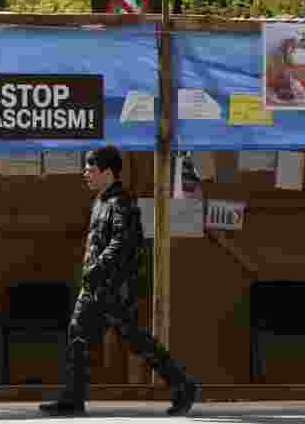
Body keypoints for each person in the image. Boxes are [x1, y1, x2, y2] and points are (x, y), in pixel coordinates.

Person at [40, 145, 199, 416]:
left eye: (90, 170)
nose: (85, 175)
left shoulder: (121, 204)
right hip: (95, 288)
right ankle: (73, 398)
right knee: (78, 336)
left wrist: (97, 269)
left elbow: (121, 244)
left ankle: (183, 385)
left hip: (112, 289)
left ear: (107, 172)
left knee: (137, 341)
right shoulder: (100, 201)